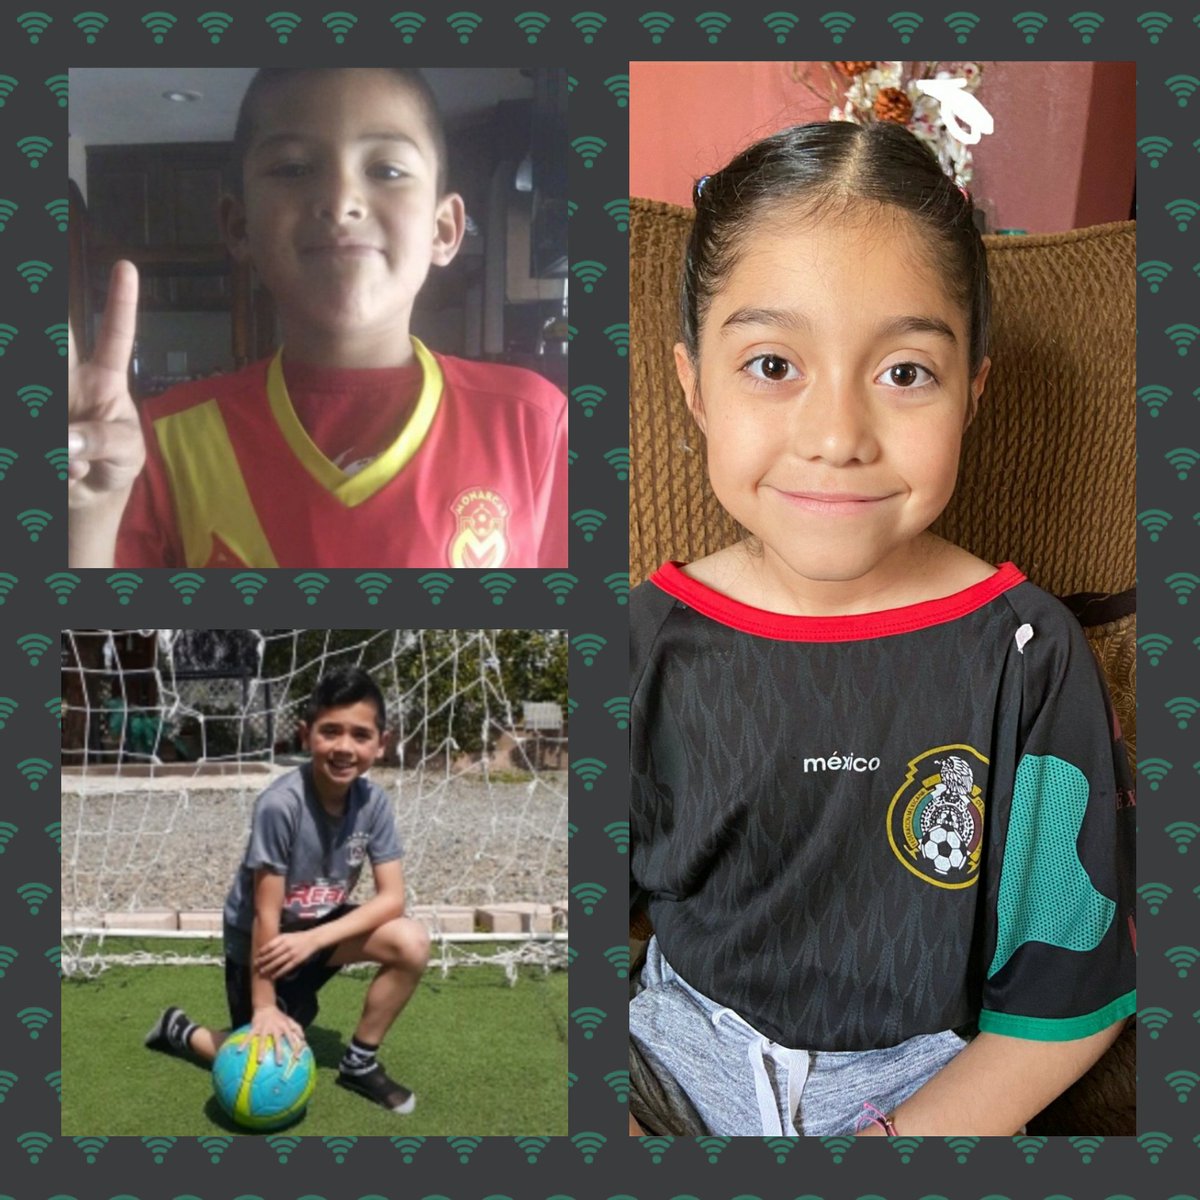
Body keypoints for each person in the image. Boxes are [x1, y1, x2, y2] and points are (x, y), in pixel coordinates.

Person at [628, 120, 1136, 1138]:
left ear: (972, 392)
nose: (836, 438)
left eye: (905, 373)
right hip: (668, 1076)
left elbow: (1066, 998)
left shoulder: (1027, 657)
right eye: (772, 365)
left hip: (924, 1101)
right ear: (693, 387)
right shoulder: (646, 638)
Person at [68, 67, 568, 569]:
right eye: (293, 169)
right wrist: (87, 512)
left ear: (443, 229)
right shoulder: (161, 441)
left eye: (386, 170)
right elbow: (97, 642)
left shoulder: (535, 423)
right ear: (238, 225)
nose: (340, 200)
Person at [145, 665, 430, 1114]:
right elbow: (265, 914)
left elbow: (392, 898)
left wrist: (314, 938)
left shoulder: (374, 804)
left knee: (411, 940)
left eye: (359, 735)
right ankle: (181, 1029)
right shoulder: (280, 805)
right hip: (264, 941)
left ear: (381, 742)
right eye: (330, 731)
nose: (344, 747)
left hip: (314, 933)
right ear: (305, 734)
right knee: (262, 1058)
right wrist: (263, 1006)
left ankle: (359, 1063)